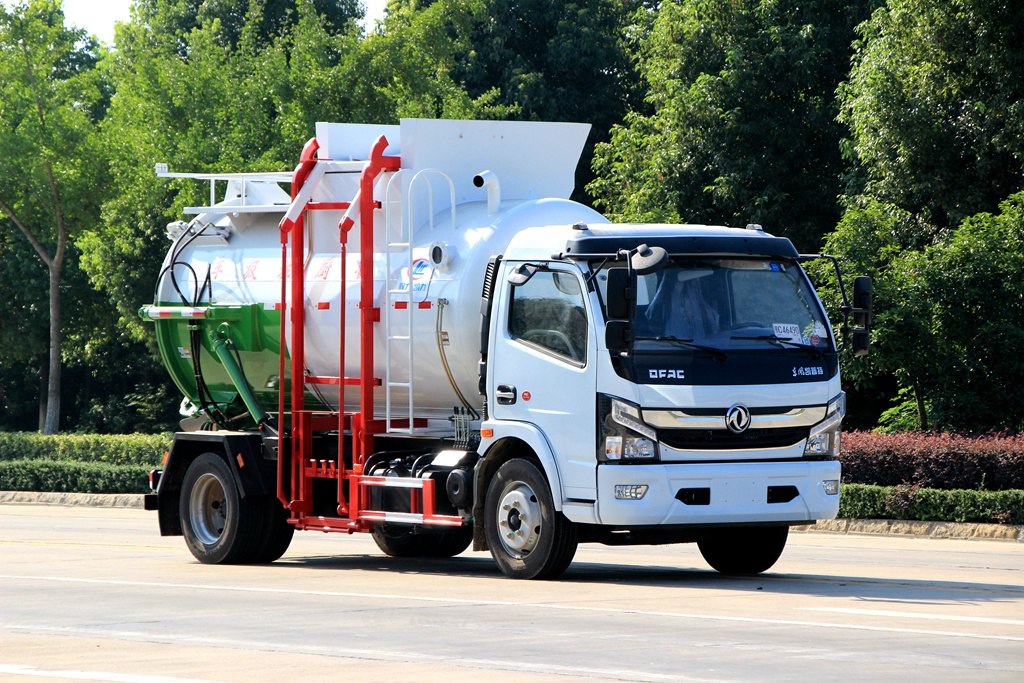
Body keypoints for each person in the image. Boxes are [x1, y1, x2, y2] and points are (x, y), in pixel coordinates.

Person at [643, 270, 719, 340]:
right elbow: (652, 319)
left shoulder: (706, 312)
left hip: (702, 351)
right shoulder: (665, 306)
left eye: (695, 282)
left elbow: (714, 331)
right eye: (678, 283)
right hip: (672, 350)